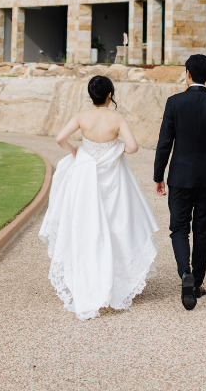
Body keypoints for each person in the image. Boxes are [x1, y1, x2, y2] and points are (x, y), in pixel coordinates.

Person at [39, 75, 159, 321]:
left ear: (91, 95)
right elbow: (133, 147)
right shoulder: (117, 118)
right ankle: (115, 280)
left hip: (85, 178)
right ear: (109, 95)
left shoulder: (82, 117)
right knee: (117, 226)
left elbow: (60, 138)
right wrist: (116, 149)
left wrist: (75, 150)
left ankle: (88, 278)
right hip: (114, 178)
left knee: (86, 227)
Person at [153, 54, 206, 311]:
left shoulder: (174, 102)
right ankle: (197, 283)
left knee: (179, 229)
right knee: (202, 229)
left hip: (179, 176)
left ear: (188, 74)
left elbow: (164, 143)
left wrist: (159, 176)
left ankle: (185, 274)